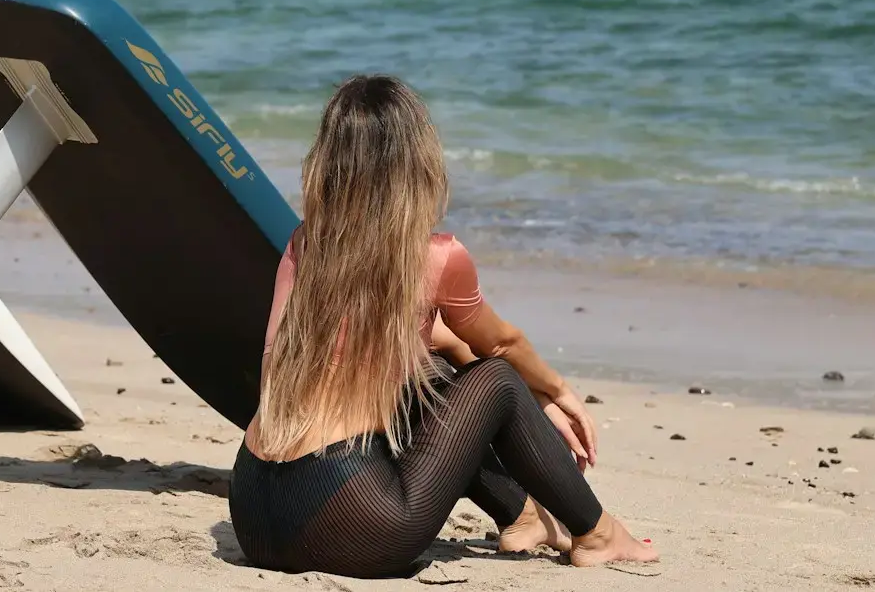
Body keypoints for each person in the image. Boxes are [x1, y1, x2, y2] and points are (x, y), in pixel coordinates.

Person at [230, 75, 658, 578]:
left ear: (329, 159)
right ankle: (598, 533)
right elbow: (502, 344)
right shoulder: (436, 257)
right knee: (496, 380)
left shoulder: (305, 245)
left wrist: (454, 350)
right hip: (350, 525)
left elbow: (298, 358)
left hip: (254, 513)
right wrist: (554, 390)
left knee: (430, 368)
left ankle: (521, 516)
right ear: (416, 160)